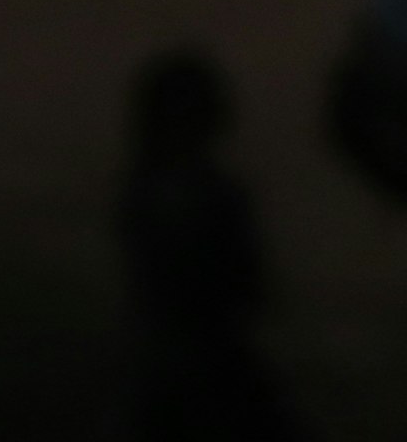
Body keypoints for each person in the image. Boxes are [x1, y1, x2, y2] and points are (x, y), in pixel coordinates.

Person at [118, 48, 302, 442]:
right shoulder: (221, 198)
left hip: (169, 360)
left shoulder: (141, 195)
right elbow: (251, 289)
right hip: (220, 361)